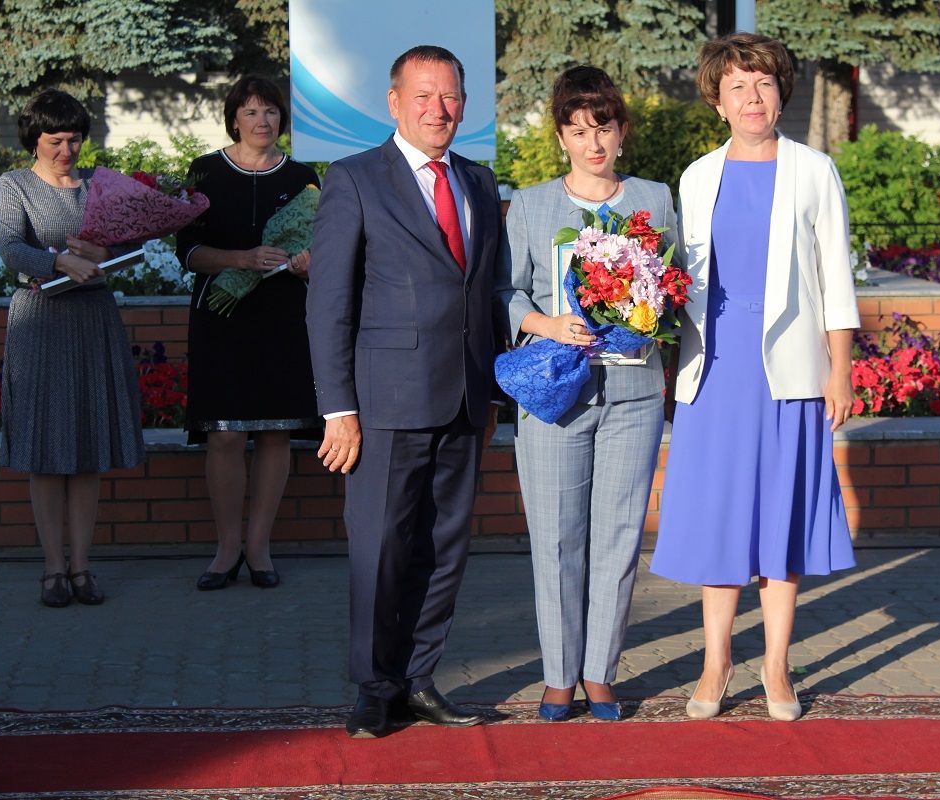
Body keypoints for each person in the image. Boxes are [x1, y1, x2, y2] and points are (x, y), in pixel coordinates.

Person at [650, 33, 861, 721]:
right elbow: (680, 281)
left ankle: (775, 665)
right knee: (719, 519)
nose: (752, 97)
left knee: (780, 519)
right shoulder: (696, 176)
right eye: (737, 86)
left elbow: (836, 280)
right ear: (716, 99)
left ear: (781, 94)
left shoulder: (814, 171)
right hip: (712, 371)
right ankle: (716, 663)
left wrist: (841, 372)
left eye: (764, 84)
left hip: (790, 372)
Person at [307, 45, 503, 738]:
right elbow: (329, 302)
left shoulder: (479, 183)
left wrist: (496, 391)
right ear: (394, 102)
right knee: (381, 549)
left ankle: (420, 679)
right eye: (423, 95)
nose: (438, 109)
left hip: (464, 401)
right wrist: (339, 408)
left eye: (450, 97)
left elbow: (490, 293)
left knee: (444, 549)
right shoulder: (355, 179)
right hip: (384, 405)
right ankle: (372, 687)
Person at [495, 66, 676, 722]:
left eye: (602, 127)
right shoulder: (534, 205)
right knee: (557, 535)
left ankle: (600, 672)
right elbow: (506, 291)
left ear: (622, 131)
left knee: (620, 534)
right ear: (561, 137)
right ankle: (557, 676)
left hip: (632, 387)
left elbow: (673, 288)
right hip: (554, 393)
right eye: (577, 131)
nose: (591, 142)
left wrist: (652, 310)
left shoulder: (653, 198)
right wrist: (546, 322)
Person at [0, 89, 145, 607]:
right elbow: (11, 246)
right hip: (40, 322)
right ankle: (52, 569)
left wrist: (104, 252)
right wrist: (60, 262)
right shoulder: (13, 184)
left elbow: (129, 244)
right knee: (45, 449)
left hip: (92, 320)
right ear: (34, 139)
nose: (67, 149)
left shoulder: (98, 185)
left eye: (75, 139)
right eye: (56, 140)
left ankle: (82, 568)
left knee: (87, 446)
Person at [176, 76, 321, 591]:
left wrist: (308, 263)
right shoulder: (206, 173)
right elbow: (188, 252)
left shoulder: (305, 178)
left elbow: (322, 249)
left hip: (282, 317)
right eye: (252, 112)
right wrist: (240, 259)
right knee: (227, 434)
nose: (263, 121)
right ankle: (226, 548)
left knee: (275, 431)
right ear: (233, 117)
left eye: (271, 112)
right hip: (222, 317)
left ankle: (259, 547)